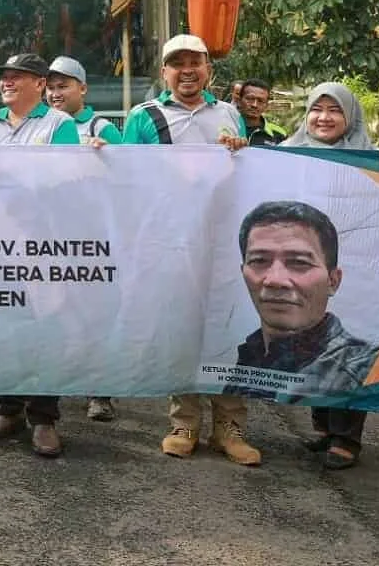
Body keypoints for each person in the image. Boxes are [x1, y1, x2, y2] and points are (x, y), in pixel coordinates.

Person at [123, 33, 260, 467]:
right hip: (171, 243)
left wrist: (241, 151)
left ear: (208, 70)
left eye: (195, 62)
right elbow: (128, 180)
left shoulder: (230, 115)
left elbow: (243, 178)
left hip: (224, 241)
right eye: (177, 63)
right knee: (182, 331)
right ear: (164, 72)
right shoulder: (144, 117)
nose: (187, 70)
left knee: (229, 331)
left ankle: (230, 427)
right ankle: (184, 422)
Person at [277, 82, 379, 468]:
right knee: (312, 341)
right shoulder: (284, 156)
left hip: (356, 269)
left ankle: (347, 438)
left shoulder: (372, 161)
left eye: (335, 110)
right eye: (317, 108)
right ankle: (325, 427)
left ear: (350, 117)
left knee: (351, 341)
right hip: (305, 270)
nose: (324, 117)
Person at [0, 53, 80, 458]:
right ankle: (8, 408)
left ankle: (44, 417)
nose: (7, 83)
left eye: (17, 77)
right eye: (4, 78)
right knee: (4, 325)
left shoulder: (59, 125)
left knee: (45, 328)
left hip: (41, 242)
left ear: (39, 83)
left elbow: (64, 181)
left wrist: (13, 183)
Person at [226, 201, 379, 407]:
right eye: (259, 260)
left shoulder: (366, 370)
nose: (275, 280)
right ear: (242, 271)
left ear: (333, 281)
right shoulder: (249, 355)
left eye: (299, 262)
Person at [45, 54, 122, 423]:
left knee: (94, 315)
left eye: (64, 86)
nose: (56, 93)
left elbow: (130, 176)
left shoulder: (101, 127)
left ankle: (99, 392)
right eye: (51, 86)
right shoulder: (40, 125)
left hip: (91, 237)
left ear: (83, 89)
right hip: (49, 236)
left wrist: (104, 158)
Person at [237, 79, 288, 146]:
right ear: (239, 101)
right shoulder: (228, 127)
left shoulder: (279, 134)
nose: (254, 105)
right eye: (250, 99)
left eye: (260, 101)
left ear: (266, 105)